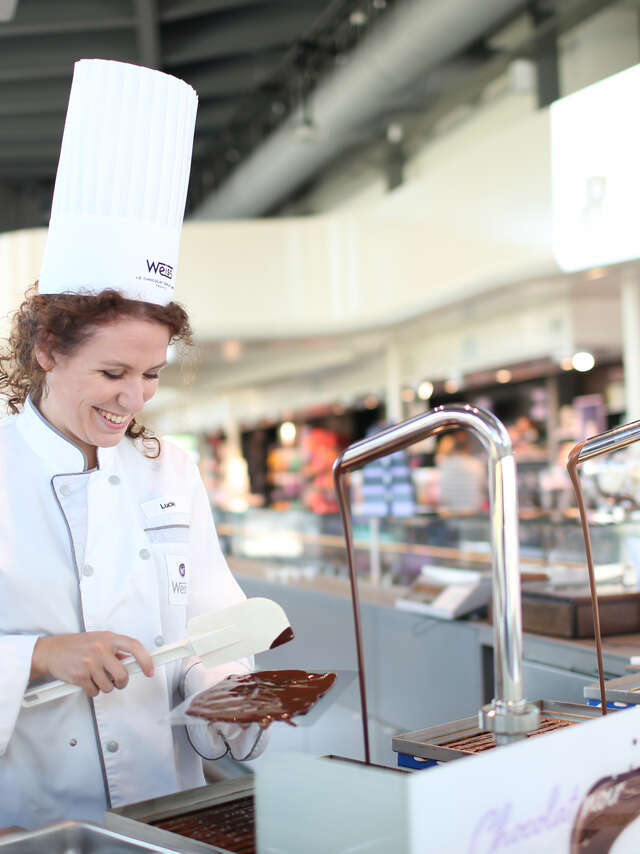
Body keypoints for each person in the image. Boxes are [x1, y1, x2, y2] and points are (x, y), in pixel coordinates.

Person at [0, 60, 267, 830]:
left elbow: (215, 625)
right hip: (35, 811)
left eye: (150, 374)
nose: (133, 399)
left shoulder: (168, 471)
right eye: (112, 371)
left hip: (168, 804)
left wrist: (227, 695)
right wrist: (41, 655)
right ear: (48, 348)